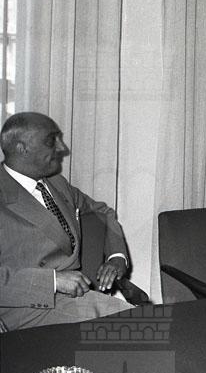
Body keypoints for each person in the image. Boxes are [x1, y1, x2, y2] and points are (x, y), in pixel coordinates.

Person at [0, 112, 133, 330]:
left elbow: (102, 212)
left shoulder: (55, 183)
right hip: (26, 309)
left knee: (144, 326)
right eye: (51, 140)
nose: (62, 147)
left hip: (76, 299)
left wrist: (116, 257)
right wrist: (53, 281)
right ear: (22, 148)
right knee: (136, 329)